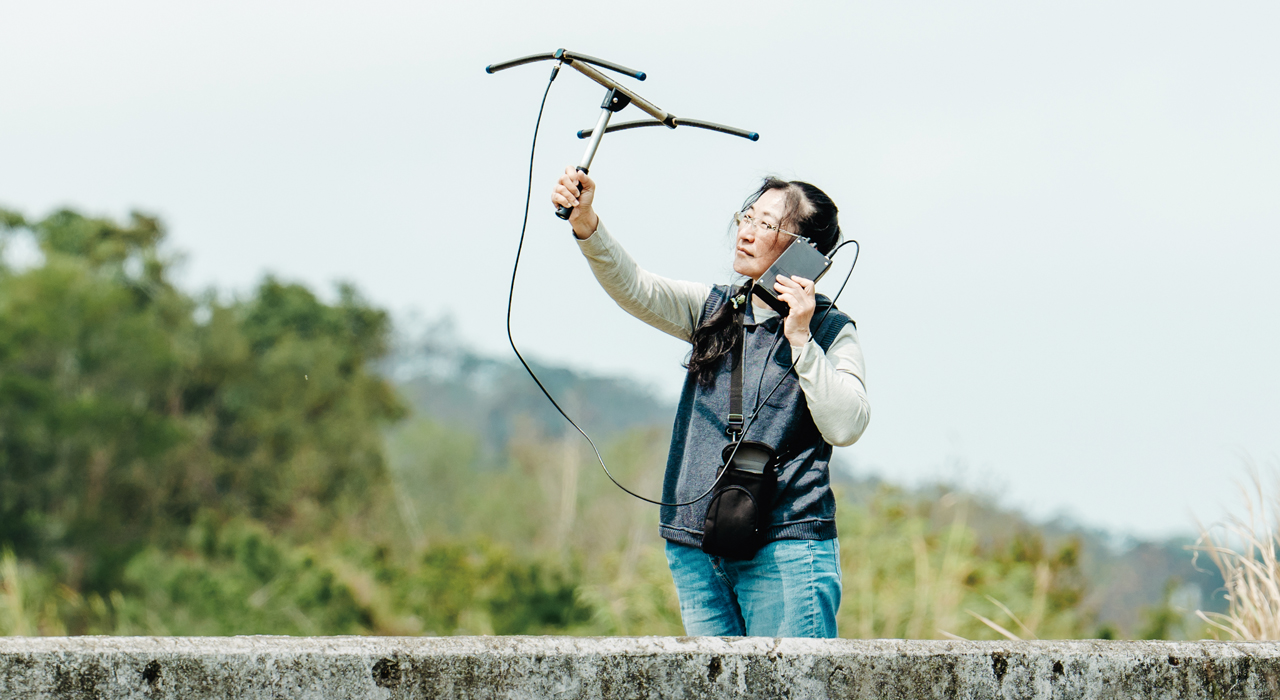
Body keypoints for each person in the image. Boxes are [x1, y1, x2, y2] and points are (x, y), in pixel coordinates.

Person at [551, 167, 870, 638]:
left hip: (785, 549)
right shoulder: (713, 307)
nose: (746, 232)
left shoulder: (830, 331)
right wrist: (586, 224)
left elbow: (846, 425)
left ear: (805, 252)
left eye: (767, 225)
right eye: (748, 216)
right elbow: (637, 287)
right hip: (696, 544)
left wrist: (800, 338)